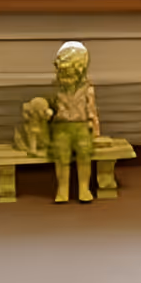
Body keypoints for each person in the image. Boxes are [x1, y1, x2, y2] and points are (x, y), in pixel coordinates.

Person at [48, 42, 101, 203]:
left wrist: (96, 129)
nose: (66, 79)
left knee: (84, 157)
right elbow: (51, 106)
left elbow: (92, 110)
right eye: (62, 75)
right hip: (61, 128)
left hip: (82, 127)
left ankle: (83, 188)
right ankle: (62, 189)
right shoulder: (57, 89)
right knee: (61, 158)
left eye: (69, 75)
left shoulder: (87, 90)